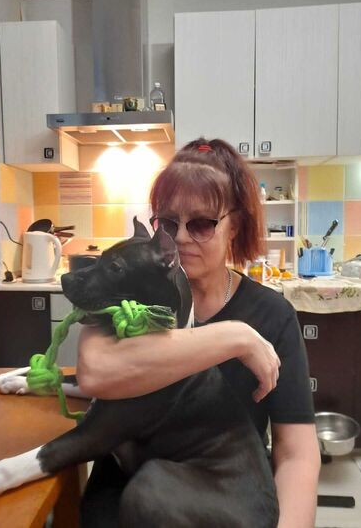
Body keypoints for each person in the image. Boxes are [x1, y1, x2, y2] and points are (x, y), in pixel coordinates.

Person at [77, 138, 321, 528]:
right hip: (126, 491)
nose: (181, 237)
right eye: (168, 223)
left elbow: (297, 455)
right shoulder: (128, 296)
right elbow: (93, 372)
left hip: (220, 495)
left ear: (233, 226)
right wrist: (234, 337)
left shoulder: (273, 315)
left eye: (202, 223)